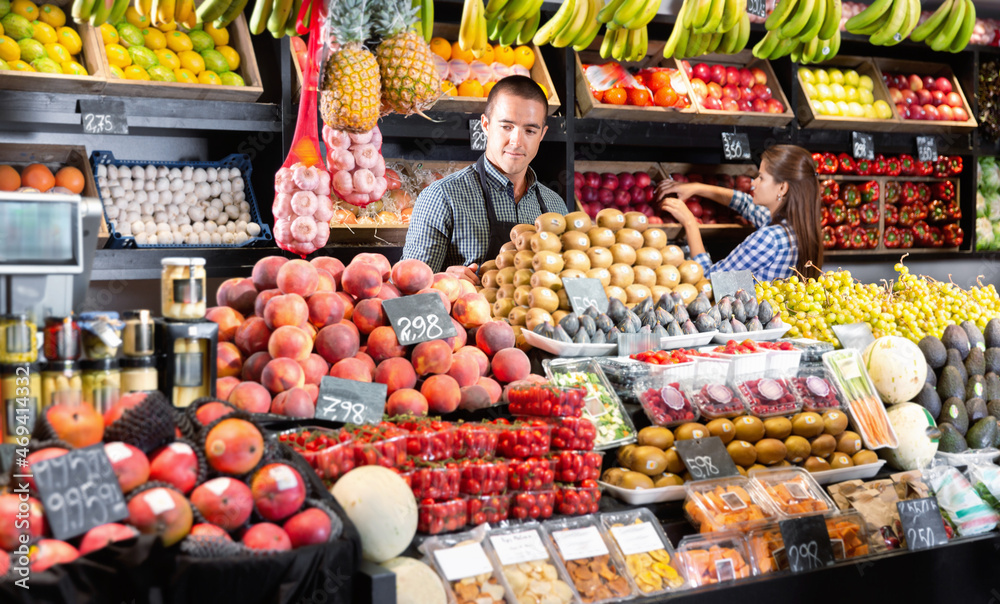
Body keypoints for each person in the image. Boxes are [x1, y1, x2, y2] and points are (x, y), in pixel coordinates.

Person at [401, 75, 568, 284]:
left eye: (530, 130)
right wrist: (439, 280)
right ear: (486, 125)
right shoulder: (442, 197)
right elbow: (406, 289)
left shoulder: (555, 207)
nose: (516, 141)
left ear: (541, 135)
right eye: (507, 126)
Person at [657, 144, 822, 280]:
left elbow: (710, 279)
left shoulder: (768, 239)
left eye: (761, 178)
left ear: (782, 187)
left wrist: (689, 222)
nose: (753, 184)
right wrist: (697, 188)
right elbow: (745, 203)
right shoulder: (797, 228)